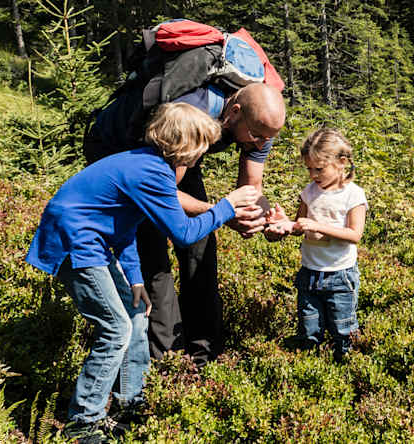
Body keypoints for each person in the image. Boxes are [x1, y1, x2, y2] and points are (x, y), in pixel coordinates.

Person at [25, 103, 261, 443]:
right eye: (203, 147)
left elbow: (125, 227)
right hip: (73, 242)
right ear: (189, 147)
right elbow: (183, 233)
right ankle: (83, 424)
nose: (204, 154)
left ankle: (130, 403)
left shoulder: (149, 165)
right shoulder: (150, 173)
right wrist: (228, 206)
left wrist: (135, 279)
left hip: (91, 240)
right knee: (116, 327)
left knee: (136, 314)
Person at [85, 74, 290, 366]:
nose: (261, 144)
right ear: (234, 113)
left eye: (268, 139)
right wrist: (221, 211)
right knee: (153, 258)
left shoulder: (261, 126)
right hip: (130, 158)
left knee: (201, 245)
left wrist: (265, 218)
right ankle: (164, 358)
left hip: (184, 158)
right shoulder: (190, 109)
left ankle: (204, 354)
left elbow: (252, 188)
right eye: (257, 136)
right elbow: (155, 189)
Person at [269, 128, 368, 361]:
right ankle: (311, 371)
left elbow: (355, 234)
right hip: (310, 274)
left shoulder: (353, 195)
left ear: (342, 163)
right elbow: (300, 226)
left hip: (340, 275)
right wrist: (285, 224)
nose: (313, 175)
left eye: (319, 169)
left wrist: (317, 226)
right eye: (309, 169)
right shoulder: (309, 192)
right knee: (309, 329)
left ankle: (346, 370)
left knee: (343, 330)